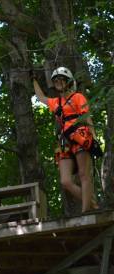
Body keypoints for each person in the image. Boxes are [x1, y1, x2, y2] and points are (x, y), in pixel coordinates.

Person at [32, 66, 98, 213]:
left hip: (80, 135)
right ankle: (93, 204)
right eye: (55, 81)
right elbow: (41, 98)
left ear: (68, 81)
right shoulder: (56, 102)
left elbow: (86, 117)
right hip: (64, 140)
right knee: (65, 181)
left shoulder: (78, 97)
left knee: (83, 174)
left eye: (61, 79)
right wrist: (34, 79)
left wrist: (93, 136)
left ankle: (85, 211)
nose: (58, 82)